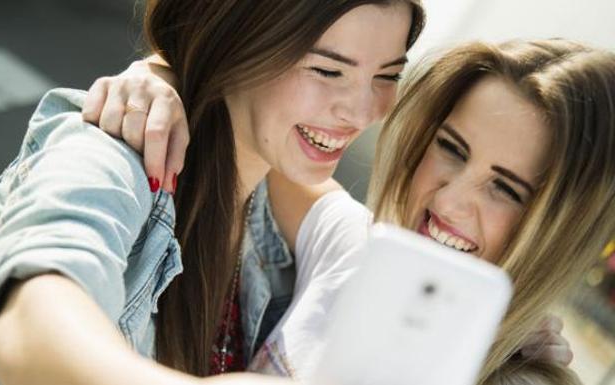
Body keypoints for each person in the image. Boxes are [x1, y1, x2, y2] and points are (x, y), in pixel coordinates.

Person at [91, 38, 615, 385]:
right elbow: (252, 123)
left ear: (559, 230)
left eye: (507, 189)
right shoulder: (358, 247)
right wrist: (158, 77)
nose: (448, 202)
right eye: (452, 149)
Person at [0, 1, 425, 384]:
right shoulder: (118, 153)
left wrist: (160, 68)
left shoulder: (273, 198)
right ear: (240, 44)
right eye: (328, 71)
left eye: (388, 75)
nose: (362, 111)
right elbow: (23, 330)